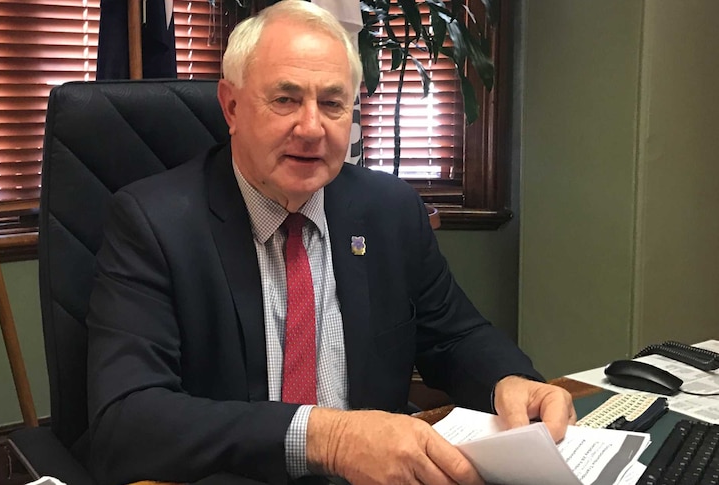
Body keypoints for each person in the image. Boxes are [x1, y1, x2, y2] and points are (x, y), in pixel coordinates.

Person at [85, 1, 576, 484]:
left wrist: (510, 381)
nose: (312, 128)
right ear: (231, 107)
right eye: (285, 99)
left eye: (333, 103)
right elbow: (126, 419)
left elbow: (455, 335)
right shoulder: (153, 223)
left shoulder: (390, 211)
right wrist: (328, 438)